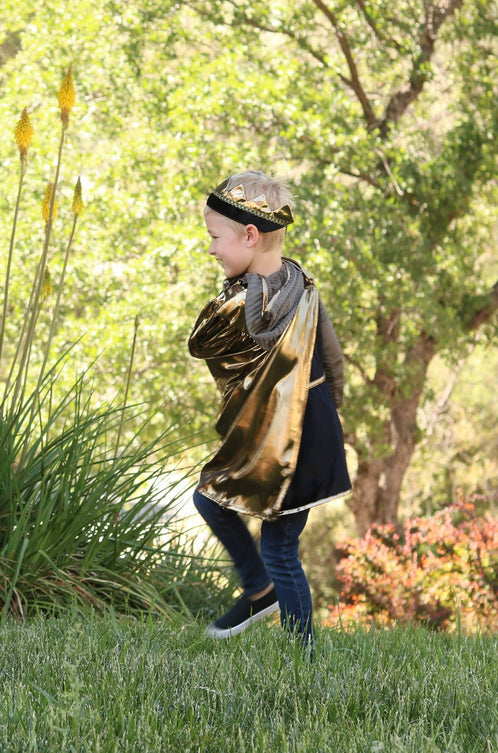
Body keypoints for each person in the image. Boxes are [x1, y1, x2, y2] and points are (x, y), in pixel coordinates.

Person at [187, 171, 351, 646]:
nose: (212, 249)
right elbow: (334, 359)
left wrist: (317, 426)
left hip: (295, 433)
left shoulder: (237, 303)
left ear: (250, 235)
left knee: (280, 548)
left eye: (216, 237)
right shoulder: (304, 287)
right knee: (210, 499)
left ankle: (301, 655)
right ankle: (260, 591)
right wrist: (332, 418)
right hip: (306, 425)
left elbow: (200, 344)